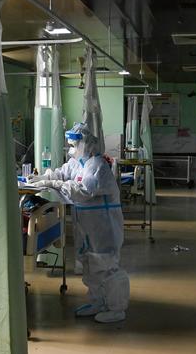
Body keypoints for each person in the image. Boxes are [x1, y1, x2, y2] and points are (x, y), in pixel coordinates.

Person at [30, 123, 130, 323]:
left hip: (103, 224)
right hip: (84, 222)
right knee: (89, 263)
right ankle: (97, 302)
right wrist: (41, 178)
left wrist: (53, 184)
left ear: (87, 144)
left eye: (75, 145)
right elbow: (61, 173)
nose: (72, 149)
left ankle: (116, 308)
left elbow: (83, 192)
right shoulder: (77, 163)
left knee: (105, 264)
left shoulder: (98, 166)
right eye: (71, 145)